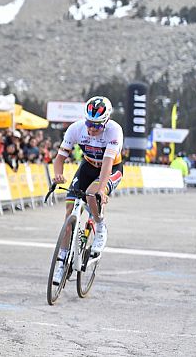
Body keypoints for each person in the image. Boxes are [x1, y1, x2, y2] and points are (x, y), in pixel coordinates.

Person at [51, 96, 123, 284]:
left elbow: (107, 165)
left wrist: (101, 190)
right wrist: (57, 175)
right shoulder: (76, 129)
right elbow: (59, 159)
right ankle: (62, 261)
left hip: (111, 169)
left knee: (92, 194)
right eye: (89, 123)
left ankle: (100, 227)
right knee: (69, 212)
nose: (92, 128)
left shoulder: (115, 131)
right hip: (88, 167)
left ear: (106, 121)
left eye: (97, 125)